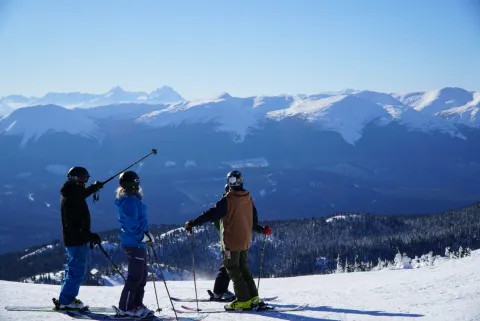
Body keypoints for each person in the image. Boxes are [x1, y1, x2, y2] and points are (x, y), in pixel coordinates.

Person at [185, 171, 271, 310]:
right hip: (245, 241)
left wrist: (193, 223)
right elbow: (253, 222)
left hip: (231, 242)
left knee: (232, 268)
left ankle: (243, 300)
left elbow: (211, 214)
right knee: (243, 269)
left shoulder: (228, 200)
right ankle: (253, 297)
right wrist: (261, 230)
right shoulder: (248, 198)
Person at [207, 184, 269, 302]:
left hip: (231, 242)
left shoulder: (226, 205)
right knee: (229, 267)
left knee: (228, 267)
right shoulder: (227, 205)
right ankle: (220, 292)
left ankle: (221, 291)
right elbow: (250, 224)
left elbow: (217, 223)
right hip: (229, 244)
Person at [56, 166, 103, 310]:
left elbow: (80, 195)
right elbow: (73, 226)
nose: (86, 182)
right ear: (77, 180)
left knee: (73, 269)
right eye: (84, 179)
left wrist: (93, 188)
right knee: (77, 270)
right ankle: (66, 301)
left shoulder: (71, 192)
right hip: (76, 240)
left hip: (74, 239)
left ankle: (65, 298)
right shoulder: (71, 199)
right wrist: (90, 236)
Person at [114, 171, 155, 318]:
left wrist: (145, 235)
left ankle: (137, 304)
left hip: (138, 243)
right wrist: (142, 236)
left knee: (142, 276)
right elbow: (131, 224)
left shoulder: (132, 199)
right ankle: (125, 307)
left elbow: (137, 222)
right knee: (135, 276)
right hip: (134, 243)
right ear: (134, 183)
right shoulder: (130, 201)